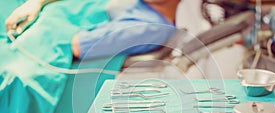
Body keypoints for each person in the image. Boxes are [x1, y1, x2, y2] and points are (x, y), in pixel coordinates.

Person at [5, 0, 180, 60]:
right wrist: (37, 3)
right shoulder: (142, 5)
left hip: (34, 38)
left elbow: (75, 45)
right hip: (33, 13)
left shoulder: (150, 28)